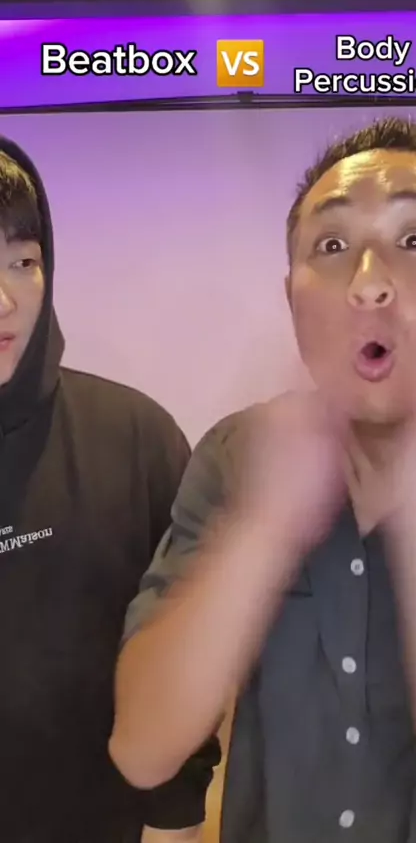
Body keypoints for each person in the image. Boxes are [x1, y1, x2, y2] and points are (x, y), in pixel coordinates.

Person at [110, 116, 416, 843]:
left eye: (414, 240)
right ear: (292, 300)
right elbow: (143, 750)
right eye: (332, 246)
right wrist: (261, 531)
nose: (367, 284)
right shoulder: (238, 453)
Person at [0, 135, 220, 842]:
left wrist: (176, 820)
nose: (4, 300)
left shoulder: (135, 437)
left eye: (23, 262)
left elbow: (187, 649)